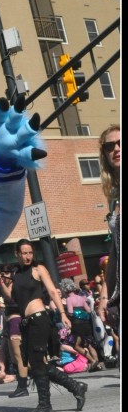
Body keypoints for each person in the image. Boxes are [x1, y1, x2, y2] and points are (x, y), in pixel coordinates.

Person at [2, 239, 86, 412]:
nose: (27, 256)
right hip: (27, 323)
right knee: (37, 364)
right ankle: (75, 387)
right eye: (24, 253)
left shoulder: (38, 269)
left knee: (38, 363)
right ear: (17, 254)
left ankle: (45, 405)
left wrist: (63, 314)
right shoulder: (16, 274)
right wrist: (1, 282)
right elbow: (13, 298)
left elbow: (53, 291)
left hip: (40, 319)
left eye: (30, 253)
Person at [97, 125, 120, 346]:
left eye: (120, 143)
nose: (116, 148)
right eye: (110, 146)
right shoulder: (114, 198)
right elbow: (115, 251)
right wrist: (105, 294)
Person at [0, 266, 28, 397]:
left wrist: (0, 282)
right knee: (14, 358)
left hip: (16, 321)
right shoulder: (5, 285)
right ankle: (22, 384)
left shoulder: (15, 284)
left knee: (19, 357)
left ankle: (23, 386)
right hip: (9, 323)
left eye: (6, 273)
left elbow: (10, 298)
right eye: (2, 273)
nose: (4, 275)